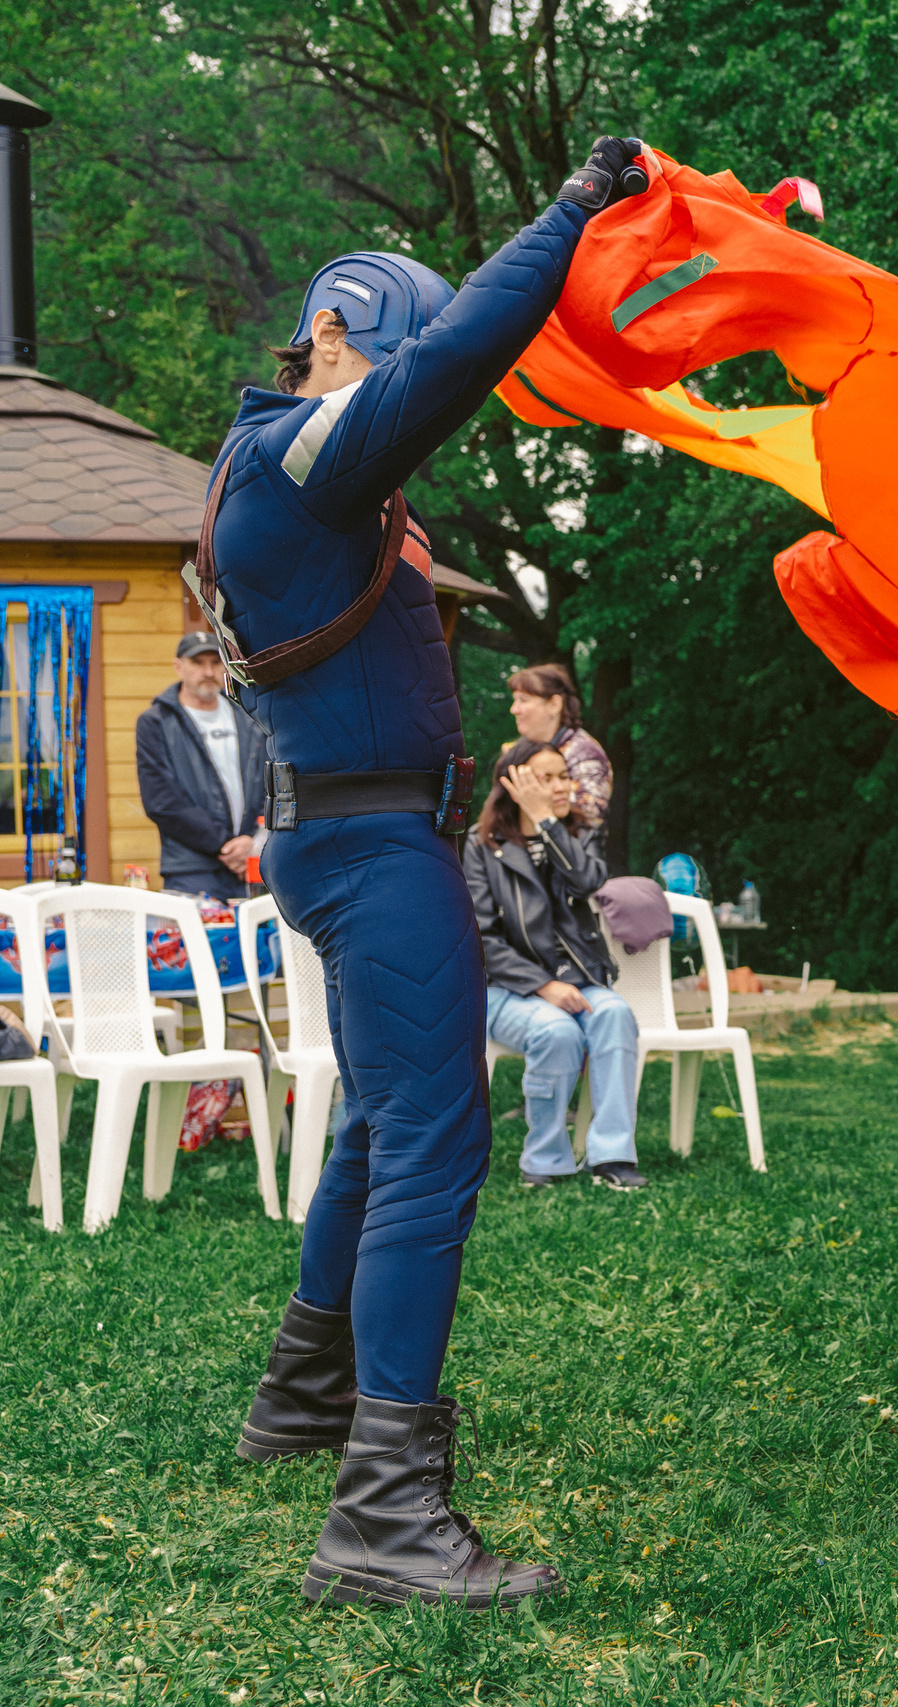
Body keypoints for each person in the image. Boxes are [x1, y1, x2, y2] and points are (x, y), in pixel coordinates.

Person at [220, 136, 650, 1610]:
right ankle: (385, 1514)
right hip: (361, 836)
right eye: (376, 358)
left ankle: (305, 1396)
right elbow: (459, 357)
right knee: (434, 1145)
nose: (392, 390)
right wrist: (576, 207)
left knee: (383, 1125)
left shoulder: (308, 469)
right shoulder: (291, 449)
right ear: (330, 328)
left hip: (359, 832)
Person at [464, 737, 643, 1193]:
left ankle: (613, 1156)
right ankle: (545, 1158)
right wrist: (542, 984)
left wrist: (546, 821)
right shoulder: (482, 847)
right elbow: (482, 937)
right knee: (555, 1032)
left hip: (580, 981)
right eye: (547, 778)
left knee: (616, 1014)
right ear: (514, 785)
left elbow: (588, 880)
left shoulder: (578, 834)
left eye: (564, 775)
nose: (563, 786)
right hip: (508, 988)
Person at [135, 632, 270, 898]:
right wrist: (225, 845)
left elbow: (271, 782)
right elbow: (161, 800)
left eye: (215, 662)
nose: (208, 671)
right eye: (197, 662)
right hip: (191, 868)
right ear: (179, 666)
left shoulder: (249, 716)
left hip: (254, 864)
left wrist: (253, 842)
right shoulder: (156, 722)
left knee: (260, 939)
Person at [507, 662, 611, 823]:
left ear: (554, 705)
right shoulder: (519, 750)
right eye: (515, 700)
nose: (514, 709)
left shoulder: (584, 752)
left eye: (523, 700)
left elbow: (588, 820)